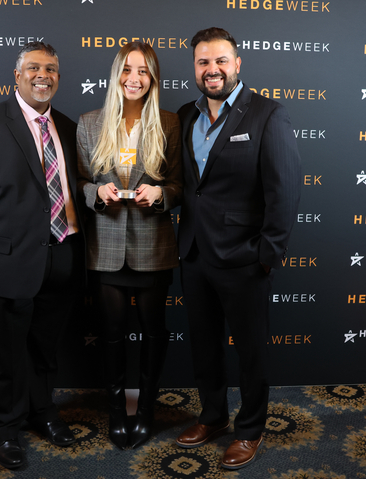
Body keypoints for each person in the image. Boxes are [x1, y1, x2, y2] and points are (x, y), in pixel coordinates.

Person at [0, 41, 84, 470]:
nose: (43, 75)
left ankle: (43, 412)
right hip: (3, 264)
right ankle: (5, 428)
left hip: (61, 258)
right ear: (17, 75)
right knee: (4, 355)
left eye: (51, 69)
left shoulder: (67, 124)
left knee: (45, 350)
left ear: (59, 77)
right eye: (33, 68)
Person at [175, 28, 301, 470]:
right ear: (195, 68)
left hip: (245, 258)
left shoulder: (268, 115)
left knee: (251, 351)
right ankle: (212, 416)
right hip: (194, 254)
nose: (212, 70)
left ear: (238, 64)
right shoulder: (185, 116)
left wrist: (267, 255)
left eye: (221, 61)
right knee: (204, 346)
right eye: (203, 62)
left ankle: (250, 430)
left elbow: (284, 192)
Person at [77, 42, 182, 450]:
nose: (133, 78)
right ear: (115, 75)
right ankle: (118, 411)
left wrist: (161, 196)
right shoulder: (89, 123)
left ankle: (148, 409)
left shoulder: (170, 123)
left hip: (153, 246)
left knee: (155, 332)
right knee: (112, 334)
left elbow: (179, 186)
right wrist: (95, 192)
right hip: (105, 247)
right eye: (126, 70)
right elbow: (81, 183)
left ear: (152, 79)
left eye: (142, 71)